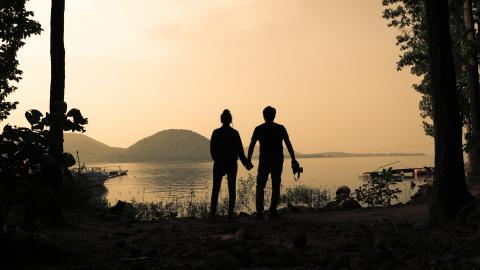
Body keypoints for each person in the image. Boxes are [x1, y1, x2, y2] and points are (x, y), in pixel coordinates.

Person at [247, 106, 298, 219]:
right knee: (276, 186)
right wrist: (293, 159)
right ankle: (273, 211)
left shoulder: (259, 129)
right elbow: (288, 144)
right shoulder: (280, 128)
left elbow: (251, 145)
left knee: (260, 186)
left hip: (264, 160)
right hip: (277, 160)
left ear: (263, 116)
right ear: (274, 115)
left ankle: (260, 212)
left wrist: (248, 160)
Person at [209, 109, 253, 220]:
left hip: (219, 163)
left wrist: (217, 160)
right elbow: (240, 151)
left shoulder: (216, 132)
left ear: (221, 120)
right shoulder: (234, 133)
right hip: (231, 164)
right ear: (230, 120)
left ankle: (212, 215)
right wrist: (246, 163)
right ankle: (229, 215)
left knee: (216, 188)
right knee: (232, 188)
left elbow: (212, 150)